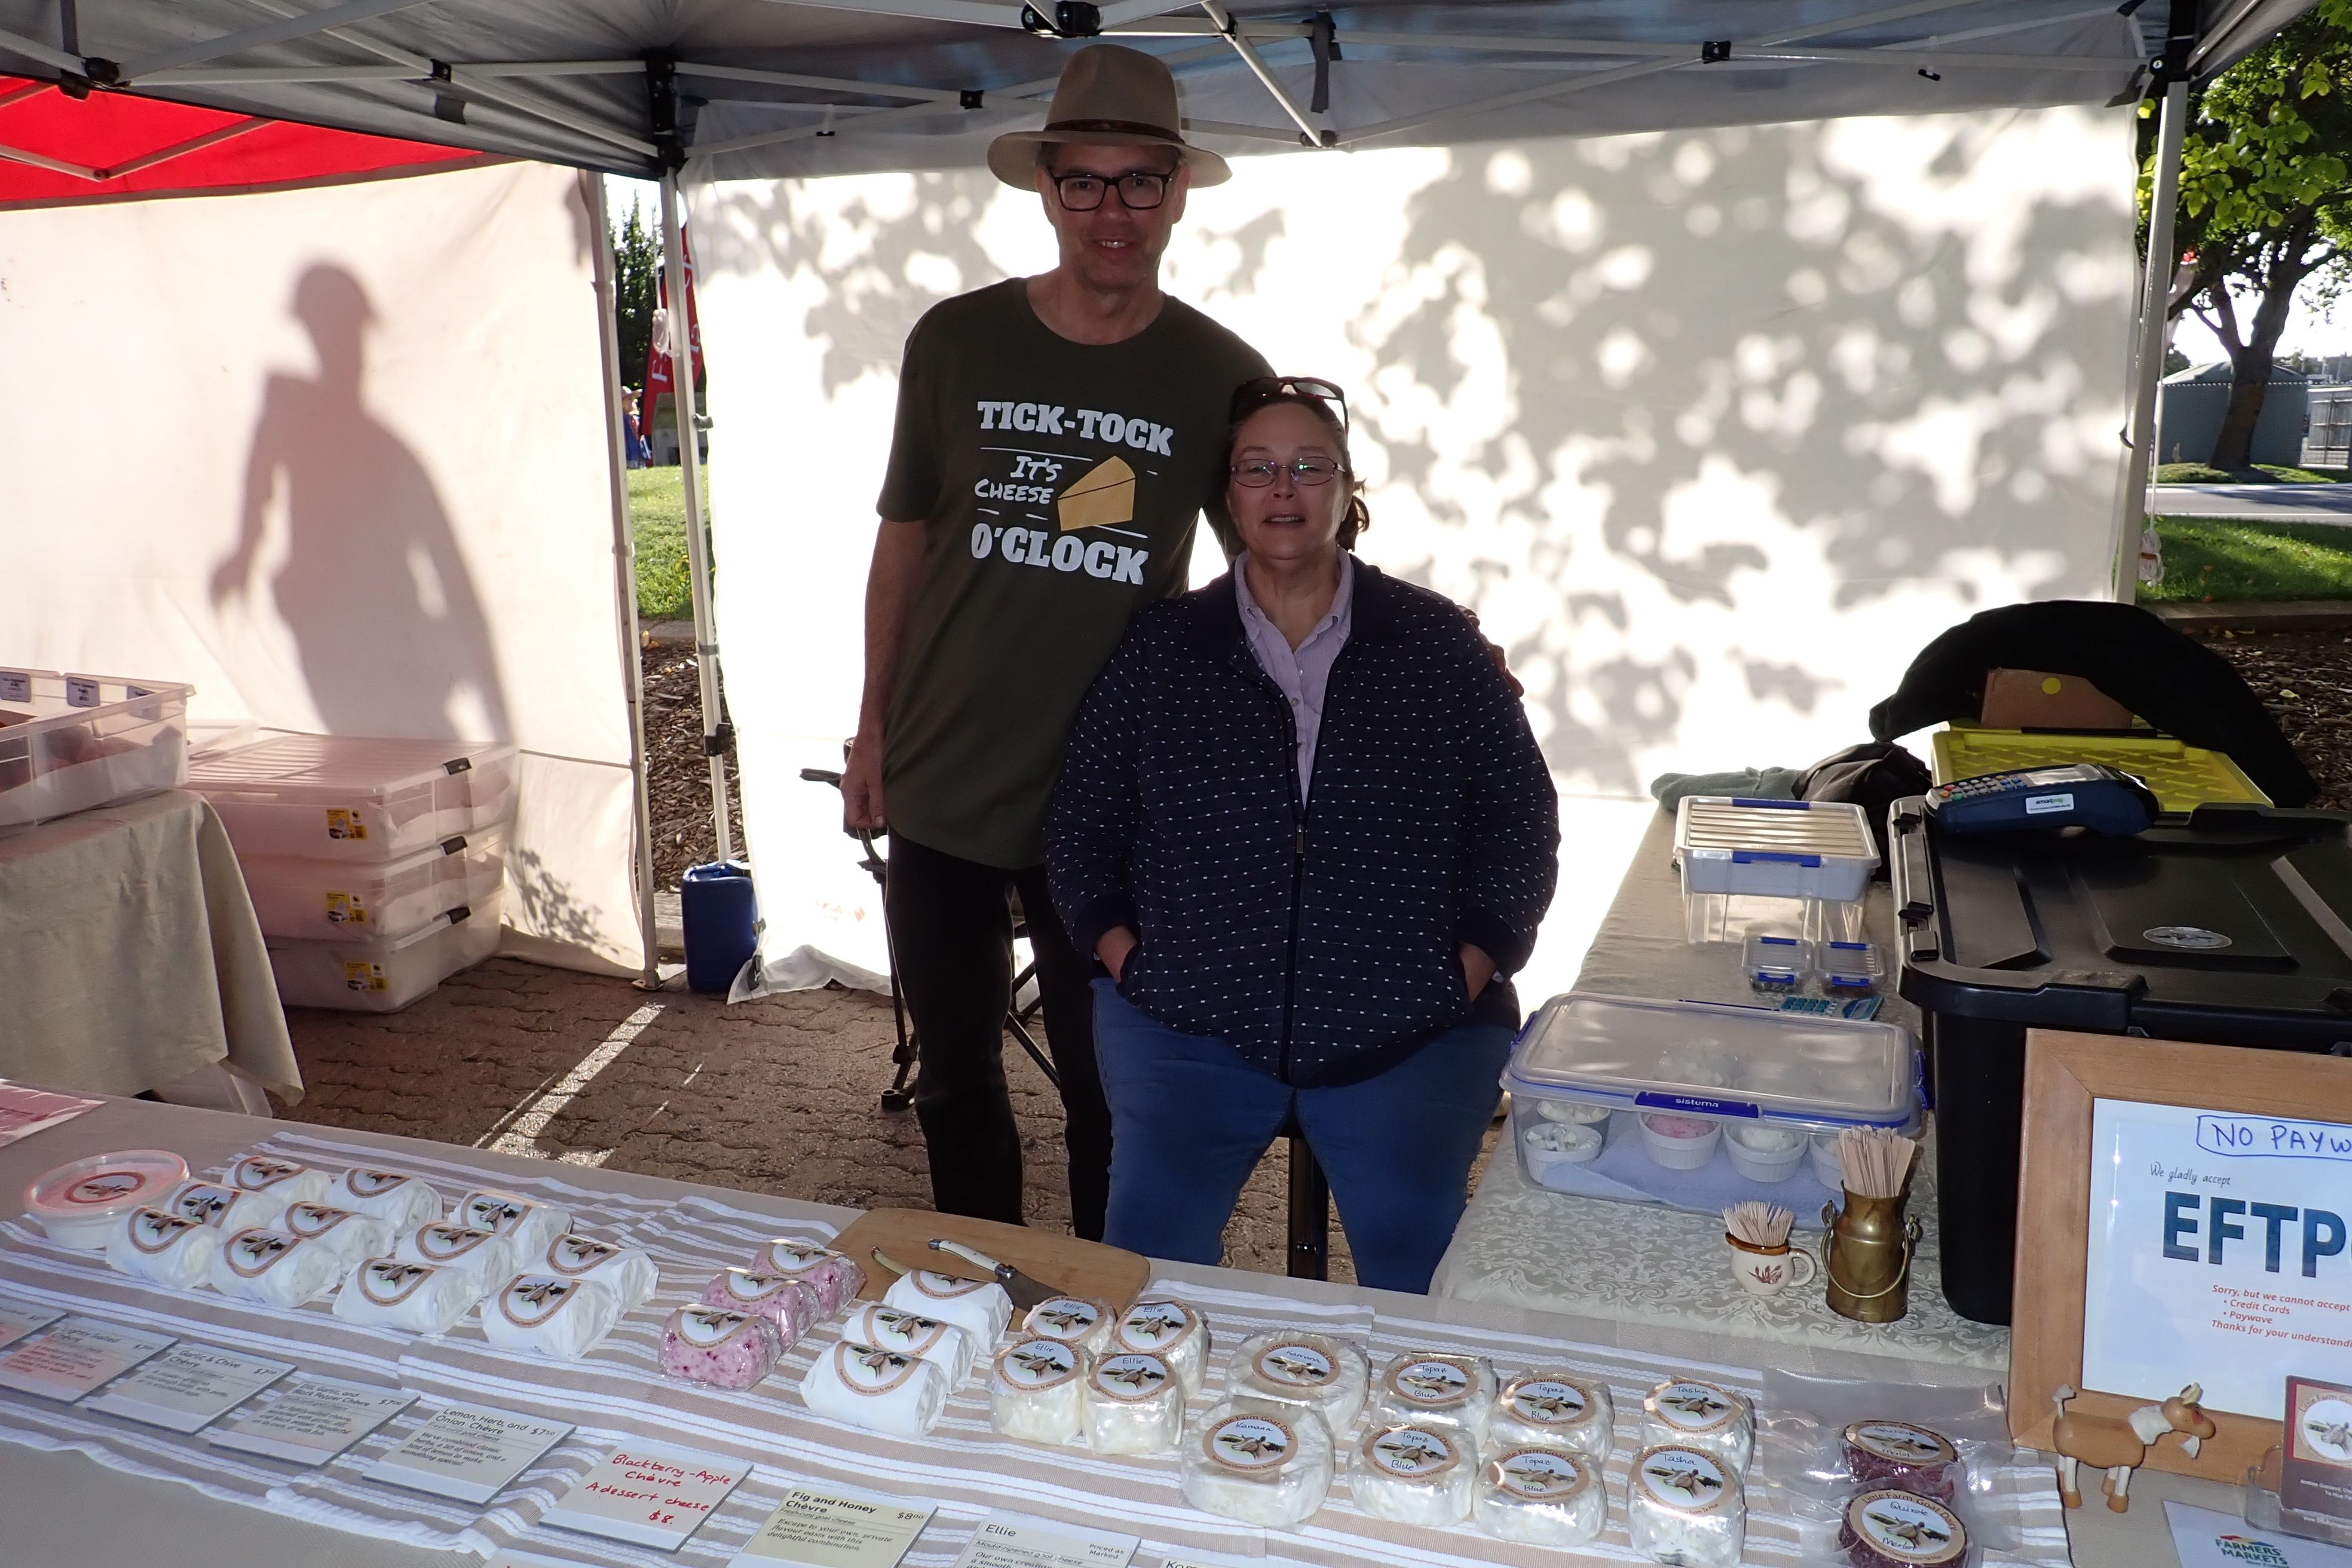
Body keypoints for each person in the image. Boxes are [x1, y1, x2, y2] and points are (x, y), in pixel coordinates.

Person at [841, 45, 1273, 1241]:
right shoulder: (956, 343)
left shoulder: (1220, 376)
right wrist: (872, 726)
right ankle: (976, 1288)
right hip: (942, 777)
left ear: (1180, 189)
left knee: (1109, 1090)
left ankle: (1103, 1318)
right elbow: (906, 543)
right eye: (1084, 182)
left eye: (1140, 182)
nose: (1113, 213)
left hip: (1112, 803)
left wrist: (1420, 650)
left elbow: (1278, 570)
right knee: (957, 1074)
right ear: (1045, 189)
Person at [1045, 377, 1561, 1293]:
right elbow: (1083, 825)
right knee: (1143, 1276)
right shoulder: (1164, 647)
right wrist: (1132, 959)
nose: (1284, 489)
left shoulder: (1435, 643)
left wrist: (1467, 967)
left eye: (1309, 467)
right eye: (1258, 468)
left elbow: (1520, 824)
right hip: (1187, 1020)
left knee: (1425, 1278)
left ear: (1348, 489)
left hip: (1407, 1026)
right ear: (1231, 495)